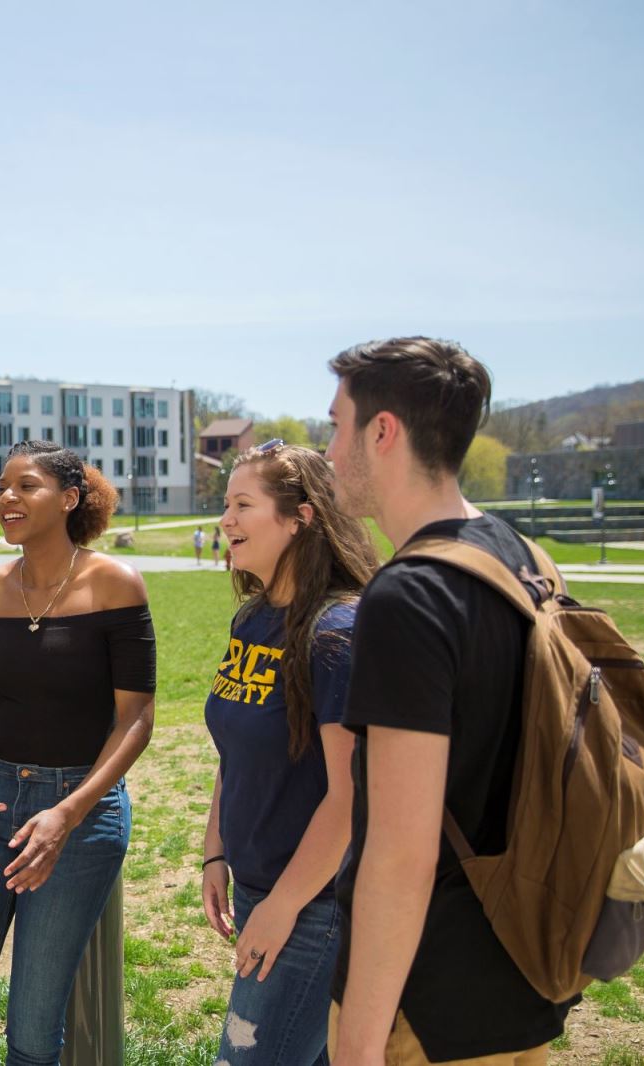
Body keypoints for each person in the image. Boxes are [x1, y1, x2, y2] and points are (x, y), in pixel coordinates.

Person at [325, 338, 575, 1064]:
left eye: (337, 424)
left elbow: (401, 854)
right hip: (523, 973)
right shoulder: (519, 555)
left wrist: (361, 1043)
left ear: (382, 432)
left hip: (427, 1007)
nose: (330, 448)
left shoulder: (408, 596)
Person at [0, 440, 156, 1065]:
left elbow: (136, 720)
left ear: (70, 498)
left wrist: (68, 814)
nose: (6, 498)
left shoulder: (115, 584)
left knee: (31, 1030)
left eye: (26, 486)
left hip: (77, 814)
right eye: (2, 486)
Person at [201, 442, 379, 1064]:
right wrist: (214, 849)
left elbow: (350, 794)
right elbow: (236, 746)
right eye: (226, 503)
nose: (226, 520)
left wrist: (283, 906)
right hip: (260, 887)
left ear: (300, 518)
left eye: (243, 504)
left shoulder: (337, 634)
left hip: (315, 906)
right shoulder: (251, 621)